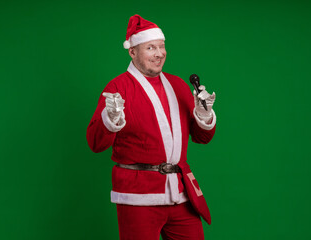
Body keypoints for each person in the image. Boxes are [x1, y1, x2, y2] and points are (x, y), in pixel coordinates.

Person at [86, 14, 217, 240]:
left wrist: (203, 114)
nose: (159, 53)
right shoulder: (118, 87)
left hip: (180, 192)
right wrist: (110, 119)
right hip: (138, 196)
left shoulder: (178, 85)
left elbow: (201, 138)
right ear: (132, 51)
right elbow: (96, 143)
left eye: (162, 46)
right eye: (150, 47)